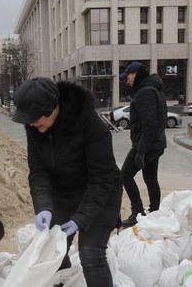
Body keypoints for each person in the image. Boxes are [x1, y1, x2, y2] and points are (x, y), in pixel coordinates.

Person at [11, 77, 123, 287]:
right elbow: (38, 171)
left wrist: (81, 218)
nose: (33, 125)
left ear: (52, 108)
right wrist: (43, 207)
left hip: (101, 191)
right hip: (63, 192)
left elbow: (102, 176)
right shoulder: (34, 127)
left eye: (35, 119)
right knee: (54, 252)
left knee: (91, 254)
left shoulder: (90, 125)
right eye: (29, 121)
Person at [118, 62, 167, 228]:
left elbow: (150, 124)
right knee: (150, 178)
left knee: (125, 174)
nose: (127, 80)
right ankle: (154, 213)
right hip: (155, 144)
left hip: (147, 145)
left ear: (136, 74)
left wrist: (141, 151)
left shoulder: (145, 92)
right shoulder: (153, 89)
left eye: (128, 76)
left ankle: (138, 212)